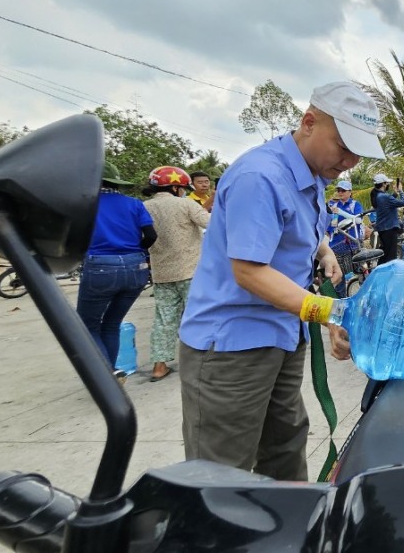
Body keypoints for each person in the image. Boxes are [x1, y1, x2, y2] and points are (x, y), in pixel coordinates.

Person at [178, 80, 383, 481]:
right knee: (220, 472)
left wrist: (323, 252)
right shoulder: (261, 176)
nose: (350, 162)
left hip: (282, 334)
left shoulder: (309, 178)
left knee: (285, 450)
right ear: (309, 122)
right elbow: (249, 271)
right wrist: (329, 313)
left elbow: (298, 227)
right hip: (234, 347)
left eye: (357, 153)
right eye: (343, 147)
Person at [77, 162, 156, 382]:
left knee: (87, 326)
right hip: (136, 268)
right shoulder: (134, 204)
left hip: (100, 267)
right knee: (111, 323)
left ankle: (107, 374)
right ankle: (112, 370)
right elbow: (151, 236)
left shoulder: (84, 205)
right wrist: (136, 252)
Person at [142, 166, 210, 382]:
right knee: (197, 316)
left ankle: (159, 366)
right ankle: (201, 363)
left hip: (161, 273)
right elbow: (211, 223)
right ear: (174, 187)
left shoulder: (144, 207)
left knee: (164, 319)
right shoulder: (185, 204)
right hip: (190, 271)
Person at [371, 173, 404, 263]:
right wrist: (401, 191)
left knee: (385, 255)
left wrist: (395, 193)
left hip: (383, 229)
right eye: (387, 183)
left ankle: (379, 273)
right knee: (391, 256)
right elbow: (403, 202)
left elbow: (387, 203)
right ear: (383, 184)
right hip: (389, 229)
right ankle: (389, 275)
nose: (388, 185)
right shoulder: (384, 196)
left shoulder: (378, 196)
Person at [327, 180, 363, 259]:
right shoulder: (333, 205)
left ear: (350, 192)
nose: (340, 192)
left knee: (356, 267)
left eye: (343, 190)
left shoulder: (355, 204)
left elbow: (358, 220)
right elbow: (330, 224)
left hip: (353, 241)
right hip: (337, 243)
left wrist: (341, 212)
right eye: (338, 190)